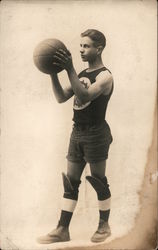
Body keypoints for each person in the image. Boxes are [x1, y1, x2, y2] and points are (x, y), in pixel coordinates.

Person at [37, 29, 114, 244]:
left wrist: (69, 68)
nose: (81, 50)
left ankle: (104, 225)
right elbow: (62, 97)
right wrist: (53, 72)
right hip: (77, 132)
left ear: (99, 49)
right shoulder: (80, 74)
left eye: (86, 46)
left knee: (99, 181)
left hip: (96, 133)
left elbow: (85, 95)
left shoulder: (105, 76)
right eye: (80, 46)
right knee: (71, 183)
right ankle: (62, 229)